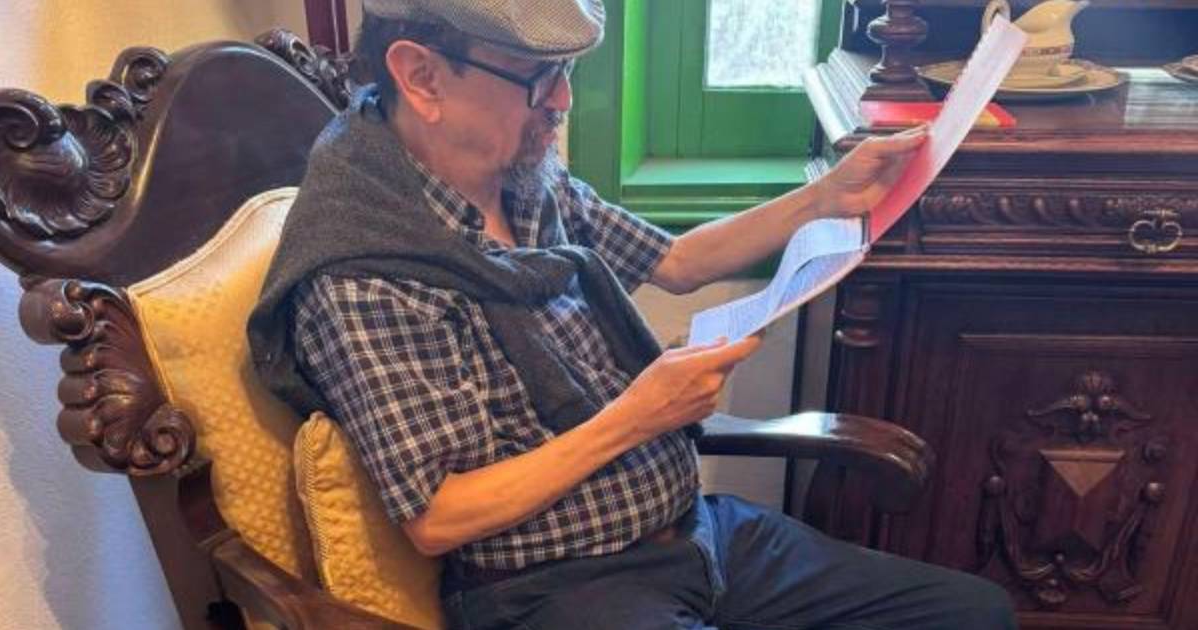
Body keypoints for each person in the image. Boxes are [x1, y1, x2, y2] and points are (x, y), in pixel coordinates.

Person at [248, 1, 1017, 628]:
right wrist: (641, 414)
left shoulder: (518, 175)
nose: (562, 102)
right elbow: (437, 516)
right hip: (560, 590)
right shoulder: (366, 275)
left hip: (694, 534)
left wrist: (826, 197)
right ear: (421, 76)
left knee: (972, 613)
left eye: (566, 73)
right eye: (538, 77)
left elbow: (675, 262)